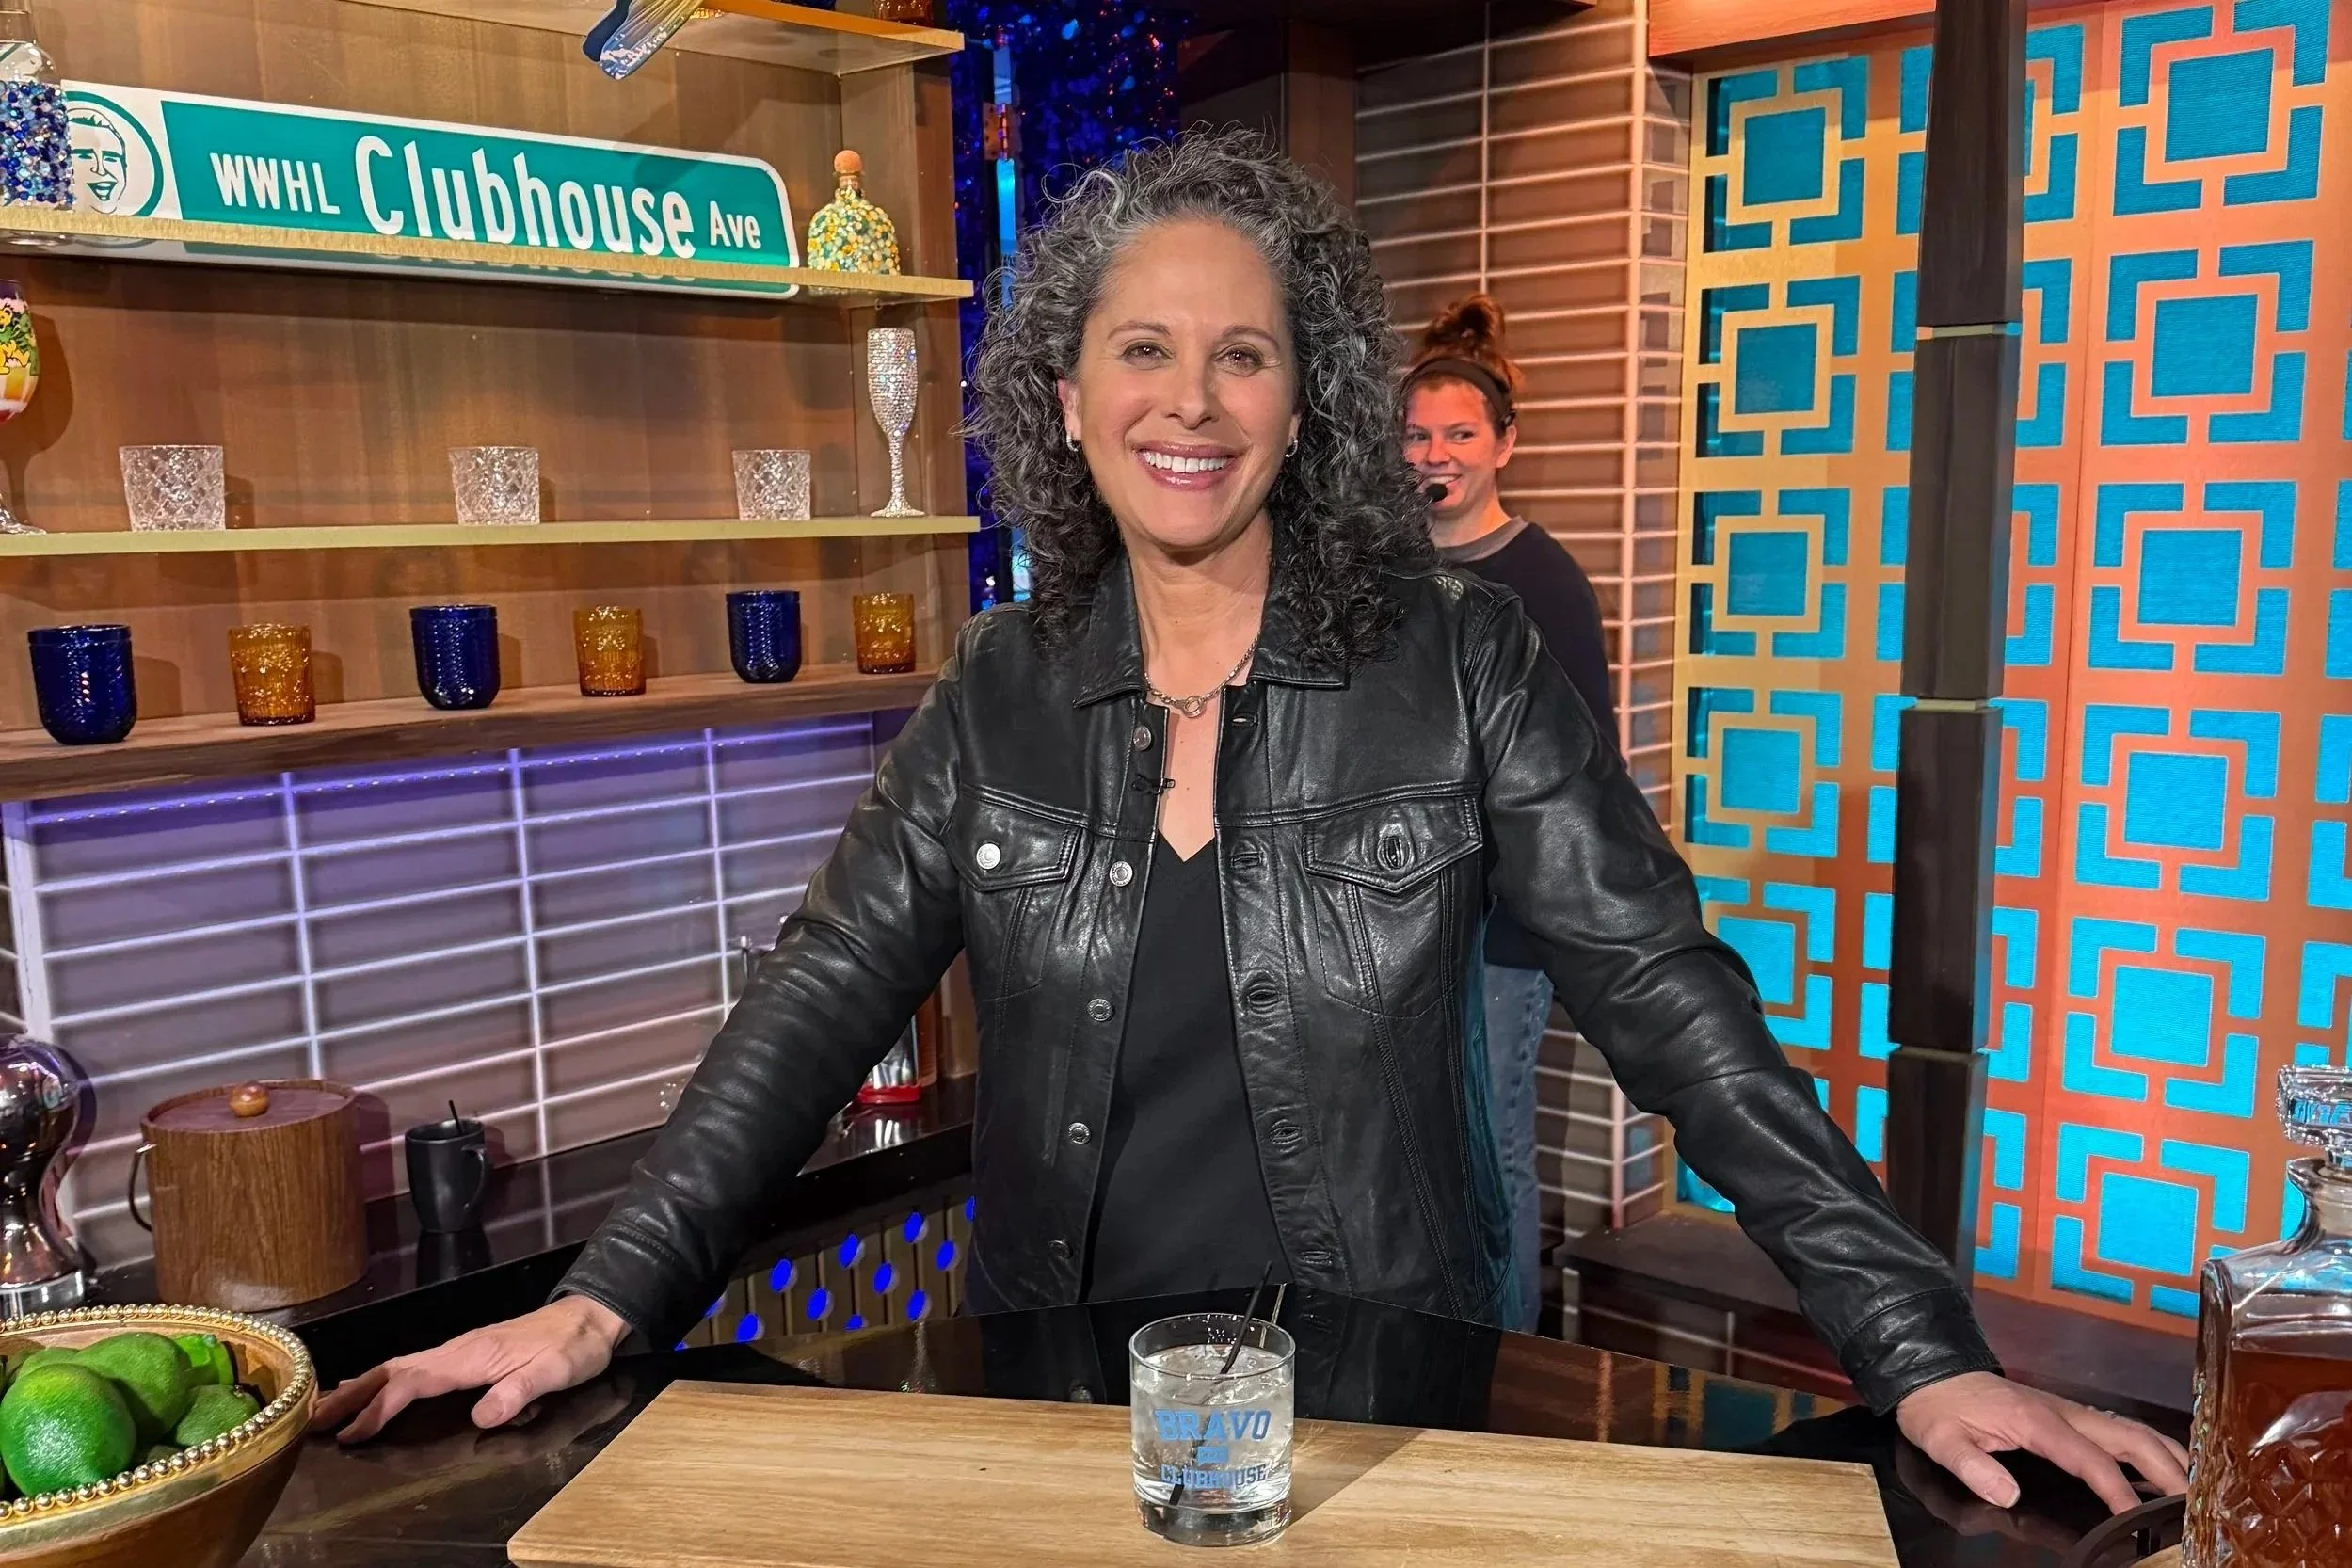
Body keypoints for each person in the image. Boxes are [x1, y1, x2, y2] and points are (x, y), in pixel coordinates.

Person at [317, 129, 2187, 1517]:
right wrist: (595, 1305)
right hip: (1061, 1410)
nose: (1189, 402)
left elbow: (1671, 1000)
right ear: (1067, 398)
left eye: (1242, 354)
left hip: (1386, 1406)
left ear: (1306, 404)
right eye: (1140, 350)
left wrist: (1917, 1346)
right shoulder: (994, 687)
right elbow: (808, 1008)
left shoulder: (1456, 656)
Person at [1403, 296, 1614, 1334]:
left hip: (1497, 931)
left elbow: (1586, 775)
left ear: (1504, 446)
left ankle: (1511, 1371)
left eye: (1458, 435)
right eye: (1416, 436)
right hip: (1397, 917)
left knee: (1490, 1151)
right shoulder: (1389, 577)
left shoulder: (1543, 583)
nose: (1434, 455)